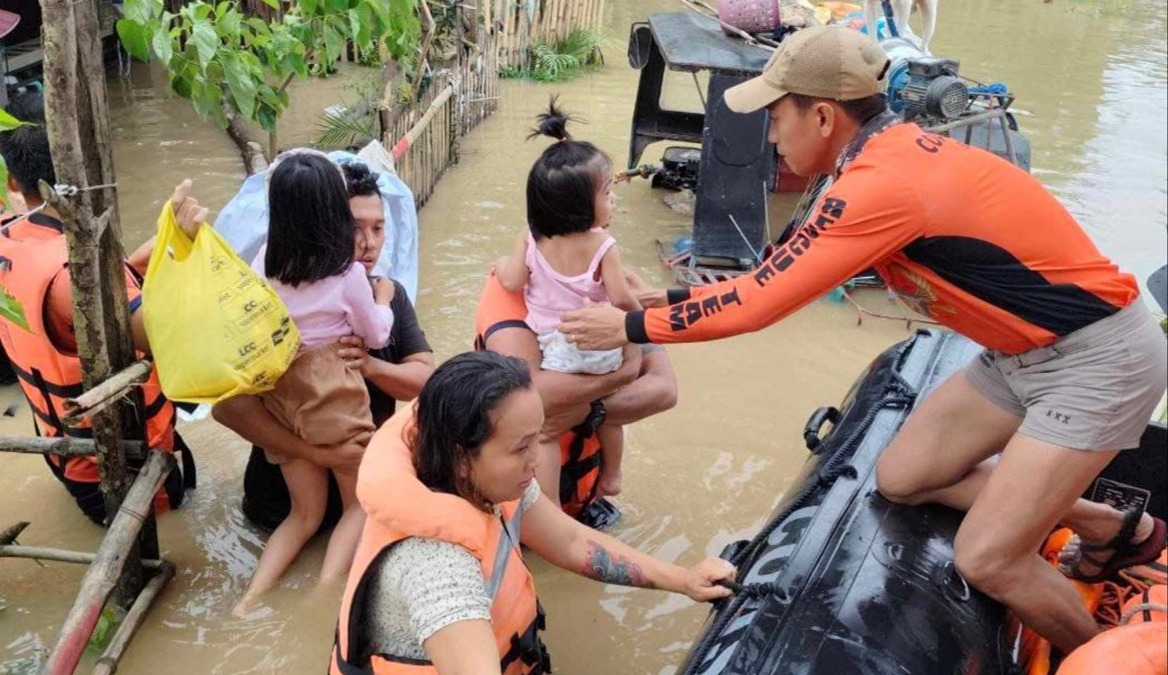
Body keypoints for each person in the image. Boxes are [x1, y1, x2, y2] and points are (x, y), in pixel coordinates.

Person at [557, 25, 1168, 654]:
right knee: (902, 477)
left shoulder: (882, 186)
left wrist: (630, 325)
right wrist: (675, 299)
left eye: (774, 114)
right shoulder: (875, 158)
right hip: (1019, 354)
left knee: (987, 557)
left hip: (1096, 358)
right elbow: (776, 271)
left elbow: (760, 306)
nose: (768, 133)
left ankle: (1102, 654)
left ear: (821, 115)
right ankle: (1112, 527)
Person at [330, 351, 735, 674]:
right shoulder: (437, 567)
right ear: (462, 458)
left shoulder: (486, 483)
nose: (537, 462)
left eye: (536, 440)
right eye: (521, 448)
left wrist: (684, 580)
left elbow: (572, 540)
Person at [0, 92, 198, 525]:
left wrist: (159, 246)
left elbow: (83, 314)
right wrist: (188, 260)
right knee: (170, 537)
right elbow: (161, 334)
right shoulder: (79, 269)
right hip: (120, 463)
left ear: (12, 182)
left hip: (63, 447)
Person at [213, 159, 434, 536]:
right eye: (354, 227)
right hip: (279, 504)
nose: (369, 243)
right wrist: (317, 454)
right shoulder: (271, 305)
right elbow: (227, 408)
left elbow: (426, 383)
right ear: (324, 222)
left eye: (378, 228)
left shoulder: (386, 295)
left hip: (347, 503)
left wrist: (370, 367)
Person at [229, 150, 396, 614]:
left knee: (303, 515)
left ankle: (249, 600)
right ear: (333, 214)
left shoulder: (264, 262)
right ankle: (324, 596)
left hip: (280, 396)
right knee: (360, 504)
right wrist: (383, 296)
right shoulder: (347, 277)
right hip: (330, 397)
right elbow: (377, 334)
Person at [494, 100, 640, 498]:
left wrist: (498, 262)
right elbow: (622, 298)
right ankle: (612, 476)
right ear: (581, 206)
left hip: (555, 349)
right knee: (608, 418)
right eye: (608, 193)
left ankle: (550, 504)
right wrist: (641, 320)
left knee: (546, 427)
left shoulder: (530, 236)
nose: (613, 201)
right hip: (599, 346)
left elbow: (511, 280)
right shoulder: (603, 245)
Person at [474, 268, 678, 518]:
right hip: (516, 508)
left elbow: (664, 389)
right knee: (545, 431)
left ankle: (605, 481)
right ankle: (558, 516)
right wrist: (620, 377)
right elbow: (533, 395)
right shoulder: (512, 289)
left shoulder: (613, 284)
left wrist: (590, 411)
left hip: (588, 499)